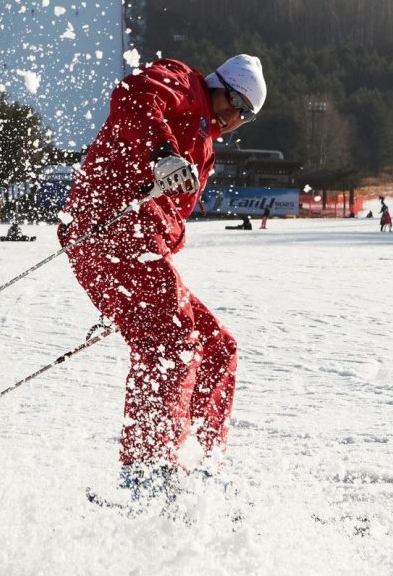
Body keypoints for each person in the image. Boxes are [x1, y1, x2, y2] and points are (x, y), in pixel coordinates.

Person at [58, 53, 266, 502]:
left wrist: (127, 301)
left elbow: (171, 217)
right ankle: (148, 474)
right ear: (219, 85)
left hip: (139, 243)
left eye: (247, 115)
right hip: (109, 223)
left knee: (218, 346)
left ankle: (202, 465)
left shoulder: (205, 144)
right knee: (172, 339)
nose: (235, 119)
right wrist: (161, 152)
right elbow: (133, 97)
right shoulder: (182, 83)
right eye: (235, 104)